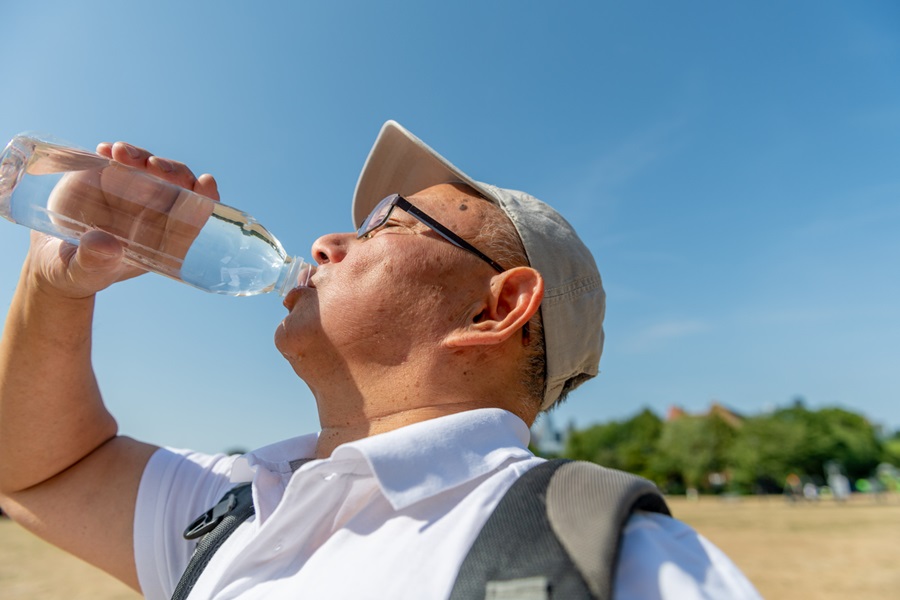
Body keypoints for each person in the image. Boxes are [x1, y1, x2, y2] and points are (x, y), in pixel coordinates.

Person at [0, 120, 761, 599]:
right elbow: (32, 471)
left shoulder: (609, 561)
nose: (329, 242)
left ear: (496, 309)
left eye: (390, 226)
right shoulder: (237, 507)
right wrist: (54, 286)